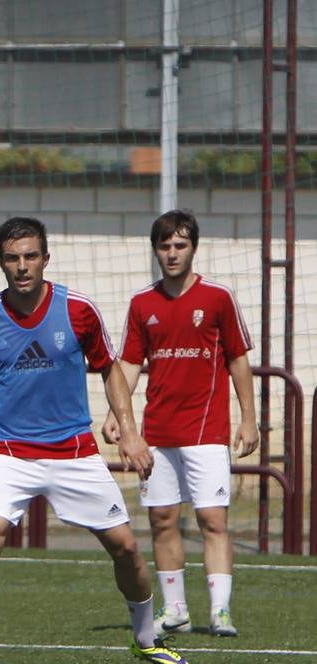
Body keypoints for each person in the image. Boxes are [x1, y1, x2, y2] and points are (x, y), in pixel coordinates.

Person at [0, 216, 193, 664]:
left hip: (74, 452)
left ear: (46, 259)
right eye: (12, 258)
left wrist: (130, 432)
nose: (22, 266)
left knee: (127, 549)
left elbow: (111, 371)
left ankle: (147, 640)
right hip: (9, 453)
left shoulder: (78, 310)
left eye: (31, 256)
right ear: (0, 264)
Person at [102, 210, 256, 637]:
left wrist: (248, 418)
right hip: (157, 433)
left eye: (180, 245)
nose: (172, 253)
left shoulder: (218, 298)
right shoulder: (142, 303)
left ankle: (221, 611)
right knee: (162, 520)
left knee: (212, 519)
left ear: (194, 248)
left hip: (206, 432)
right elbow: (129, 364)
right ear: (156, 250)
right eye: (165, 246)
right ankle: (176, 611)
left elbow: (238, 359)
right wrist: (118, 416)